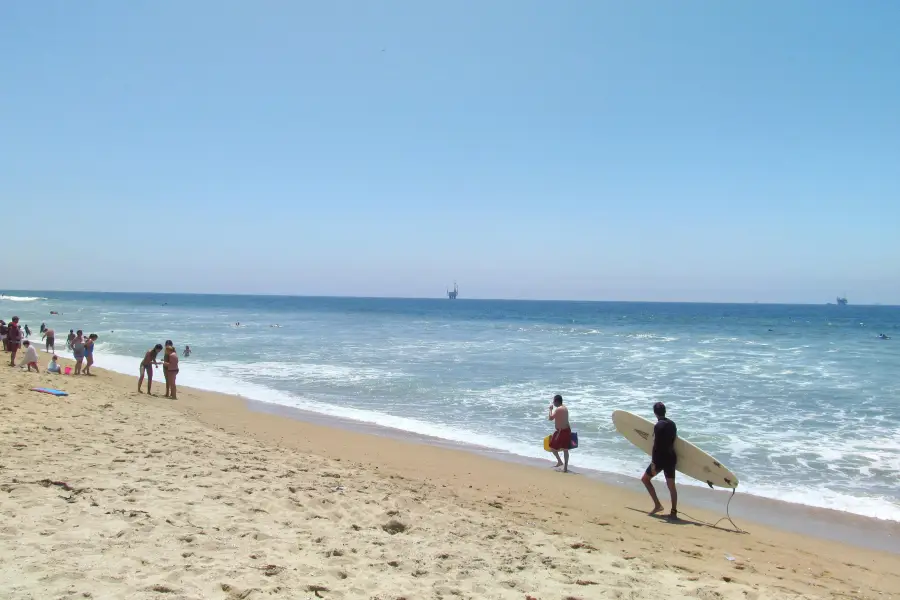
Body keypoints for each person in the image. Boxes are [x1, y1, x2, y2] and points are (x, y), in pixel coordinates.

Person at [641, 402, 679, 519]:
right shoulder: (672, 424)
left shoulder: (658, 426)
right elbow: (673, 440)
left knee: (645, 480)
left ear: (655, 413)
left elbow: (657, 446)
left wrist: (653, 462)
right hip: (671, 457)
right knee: (671, 486)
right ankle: (673, 512)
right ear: (665, 411)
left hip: (660, 459)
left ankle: (658, 505)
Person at [547, 394, 572, 473]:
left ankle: (560, 461)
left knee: (552, 447)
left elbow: (550, 418)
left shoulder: (558, 409)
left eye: (554, 401)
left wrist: (550, 409)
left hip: (560, 431)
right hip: (567, 430)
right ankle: (565, 467)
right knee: (565, 450)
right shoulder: (565, 408)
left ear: (557, 401)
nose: (553, 403)